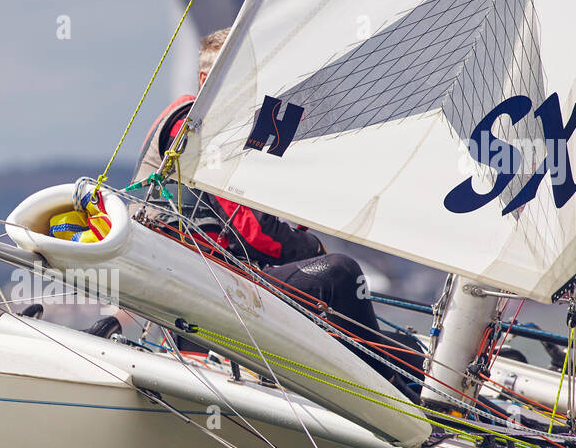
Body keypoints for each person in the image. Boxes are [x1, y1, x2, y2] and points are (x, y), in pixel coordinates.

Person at [135, 29, 422, 390]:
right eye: (245, 80)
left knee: (413, 355)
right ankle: (395, 393)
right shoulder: (194, 123)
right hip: (207, 291)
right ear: (208, 80)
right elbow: (254, 229)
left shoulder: (231, 129)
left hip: (230, 285)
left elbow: (273, 187)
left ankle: (409, 378)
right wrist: (313, 250)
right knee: (339, 272)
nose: (256, 90)